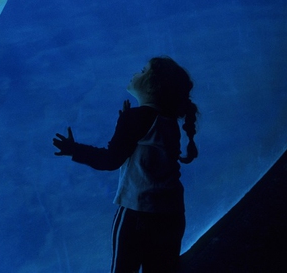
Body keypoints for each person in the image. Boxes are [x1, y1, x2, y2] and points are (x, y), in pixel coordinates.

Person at [53, 56, 199, 273]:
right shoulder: (169, 123)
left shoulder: (136, 118)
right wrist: (127, 121)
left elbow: (111, 160)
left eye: (143, 70)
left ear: (153, 85)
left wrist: (75, 150)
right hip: (172, 213)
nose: (135, 73)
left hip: (138, 212)